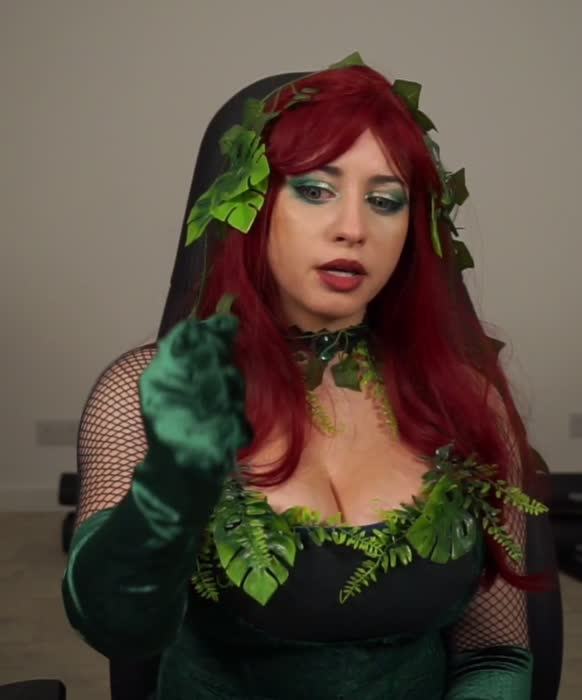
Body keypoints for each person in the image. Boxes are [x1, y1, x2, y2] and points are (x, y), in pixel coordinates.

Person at [62, 53, 550, 699]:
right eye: (316, 190)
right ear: (255, 207)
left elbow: (495, 651)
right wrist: (174, 485)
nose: (352, 229)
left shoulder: (465, 399)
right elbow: (114, 625)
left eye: (385, 201)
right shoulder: (145, 389)